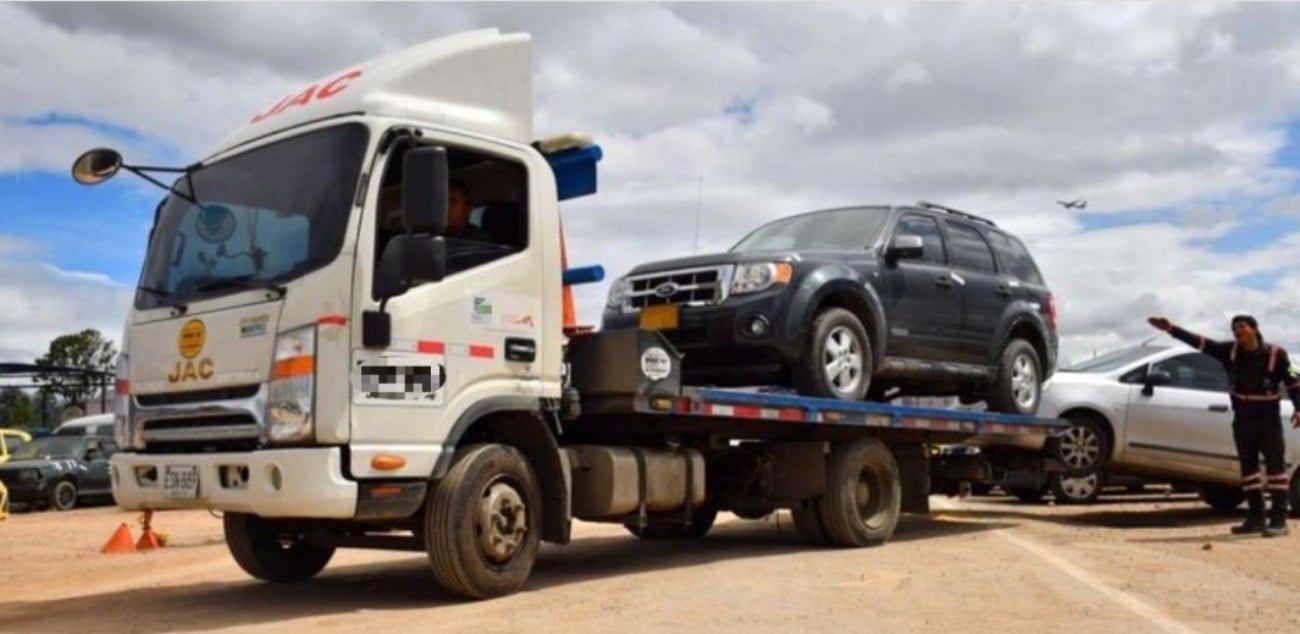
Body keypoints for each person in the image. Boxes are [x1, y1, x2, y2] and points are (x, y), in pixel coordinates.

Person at [1148, 314, 1300, 537]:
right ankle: (1256, 518)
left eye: (1242, 327)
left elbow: (1295, 378)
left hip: (1268, 419)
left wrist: (1298, 407)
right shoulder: (1229, 351)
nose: (1238, 331)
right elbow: (1201, 343)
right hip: (1242, 418)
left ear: (1255, 329)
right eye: (1234, 328)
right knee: (1249, 471)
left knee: (1275, 469)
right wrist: (1172, 329)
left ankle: (1278, 519)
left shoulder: (1277, 353)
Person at [380, 179, 494, 243]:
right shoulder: (424, 237)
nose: (446, 207)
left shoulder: (479, 243)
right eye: (442, 201)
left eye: (453, 201)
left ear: (468, 210)